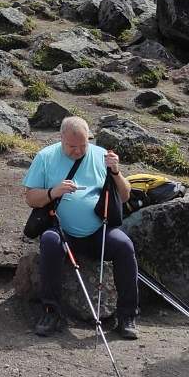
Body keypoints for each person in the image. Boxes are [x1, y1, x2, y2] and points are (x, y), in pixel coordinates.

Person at [23, 116, 138, 340]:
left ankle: (127, 316)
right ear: (61, 139)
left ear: (89, 139)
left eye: (83, 145)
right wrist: (53, 192)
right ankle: (50, 312)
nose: (78, 151)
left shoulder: (101, 156)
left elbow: (124, 196)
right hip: (61, 230)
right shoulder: (45, 157)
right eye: (72, 147)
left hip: (98, 231)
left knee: (124, 245)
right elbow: (30, 198)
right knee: (49, 241)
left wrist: (116, 172)